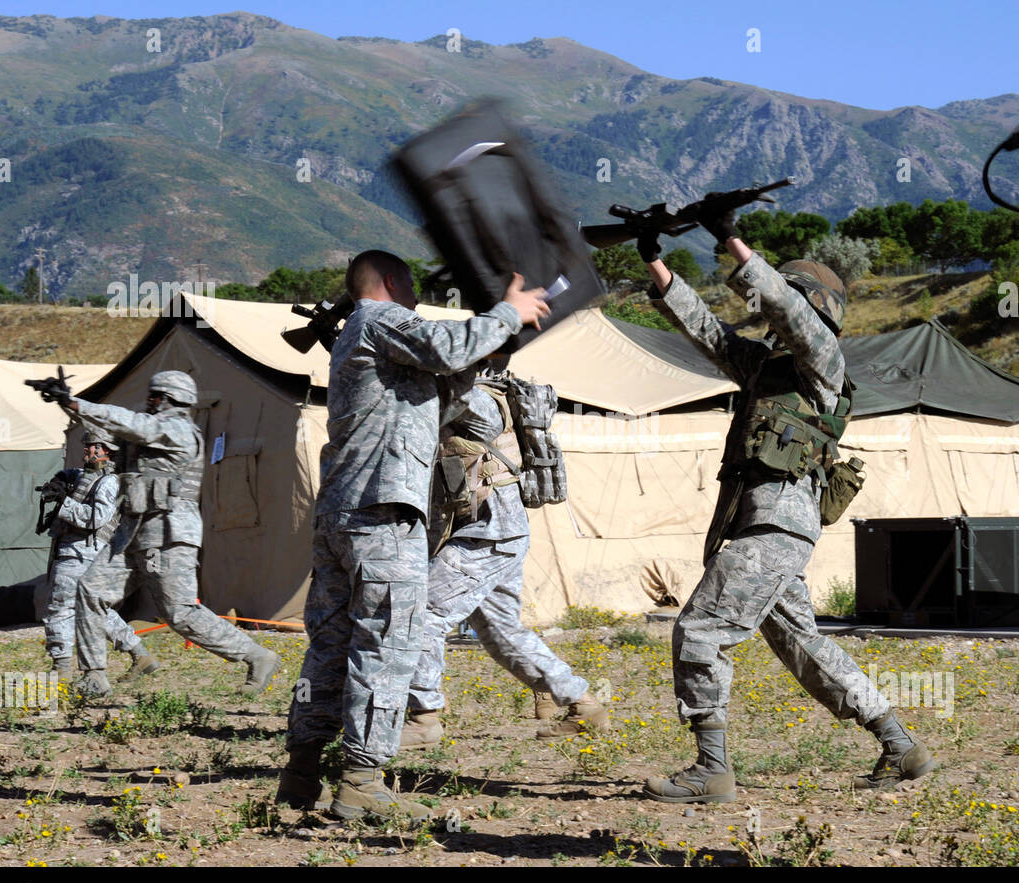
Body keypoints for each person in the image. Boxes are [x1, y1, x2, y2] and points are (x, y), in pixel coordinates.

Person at [638, 211, 934, 803]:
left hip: (776, 523)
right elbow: (707, 331)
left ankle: (712, 770)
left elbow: (790, 312)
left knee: (700, 629)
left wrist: (729, 240)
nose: (768, 313)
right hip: (762, 522)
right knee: (806, 645)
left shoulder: (824, 359)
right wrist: (655, 259)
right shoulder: (767, 368)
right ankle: (900, 744)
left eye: (782, 299)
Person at [278, 251, 548, 820]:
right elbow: (446, 348)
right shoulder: (381, 319)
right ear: (394, 283)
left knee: (331, 644)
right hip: (383, 512)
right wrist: (507, 311)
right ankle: (362, 781)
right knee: (389, 639)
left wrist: (489, 350)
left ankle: (301, 776)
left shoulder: (363, 339)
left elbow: (440, 391)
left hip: (341, 513)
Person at [37, 370, 281, 699]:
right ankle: (94, 675)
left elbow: (132, 424)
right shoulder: (146, 438)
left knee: (178, 612)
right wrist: (67, 405)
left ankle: (258, 657)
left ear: (172, 400)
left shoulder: (177, 430)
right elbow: (108, 433)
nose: (148, 402)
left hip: (167, 534)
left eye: (155, 397)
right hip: (131, 533)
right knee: (91, 590)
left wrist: (76, 403)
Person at [399, 372, 609, 750]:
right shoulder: (463, 393)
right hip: (488, 534)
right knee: (500, 633)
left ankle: (423, 717)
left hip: (488, 535)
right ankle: (583, 704)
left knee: (423, 611)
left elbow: (440, 404)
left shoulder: (481, 401)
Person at [41, 428, 157, 680]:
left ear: (106, 450)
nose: (86, 448)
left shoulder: (109, 482)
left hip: (80, 553)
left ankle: (60, 668)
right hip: (75, 551)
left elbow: (96, 518)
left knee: (59, 607)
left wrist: (65, 503)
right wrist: (60, 480)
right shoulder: (88, 475)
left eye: (92, 445)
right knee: (91, 610)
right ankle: (140, 654)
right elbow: (76, 477)